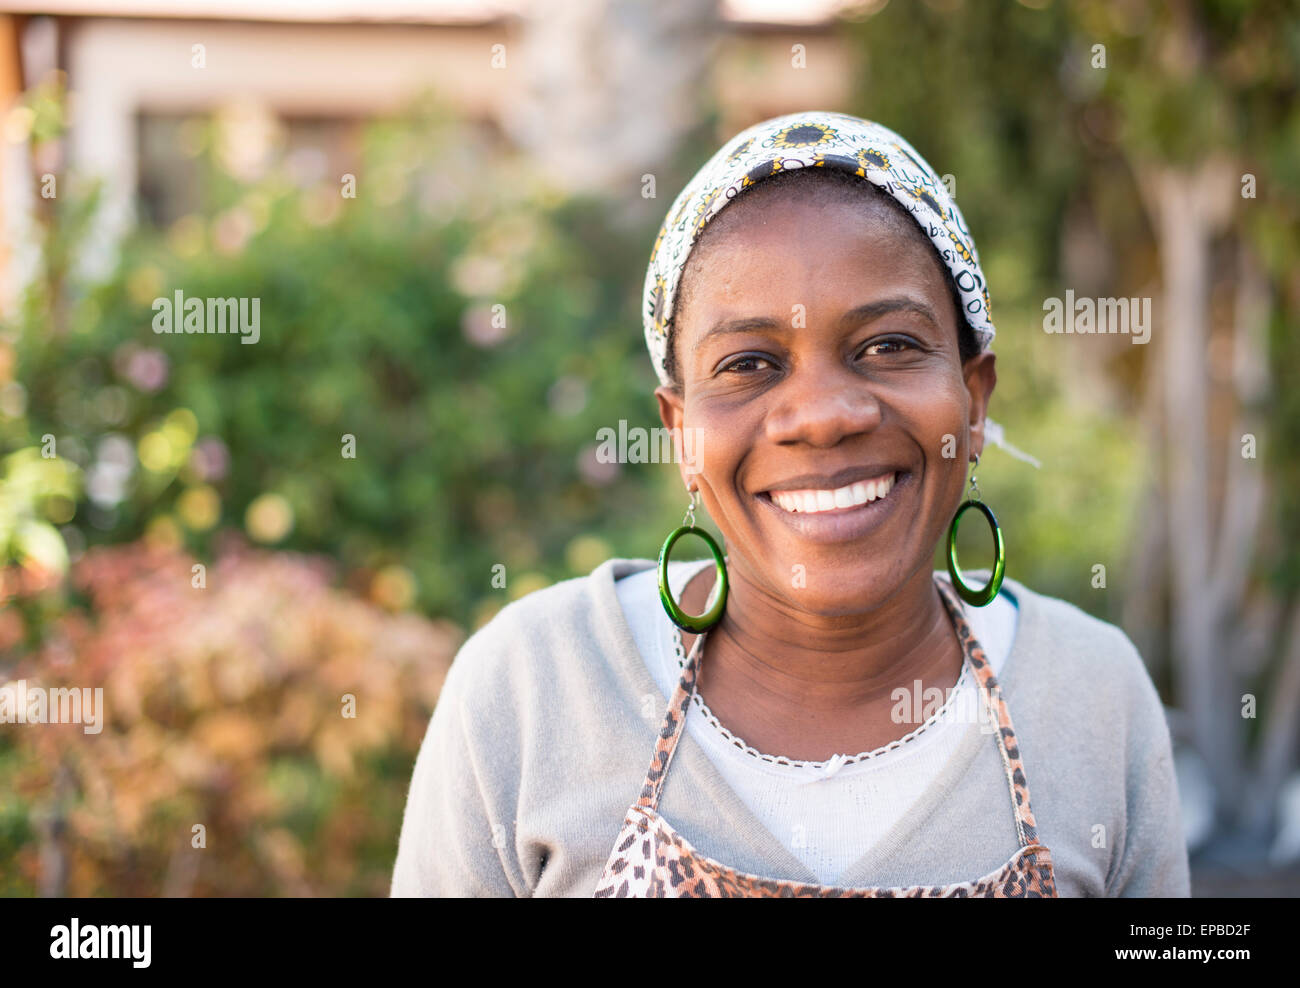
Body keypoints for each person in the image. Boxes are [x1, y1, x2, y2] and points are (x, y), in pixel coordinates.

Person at [391, 111, 1190, 897]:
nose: (822, 415)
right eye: (749, 363)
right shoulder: (538, 690)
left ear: (974, 403)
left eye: (888, 346)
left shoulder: (1092, 695)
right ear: (681, 435)